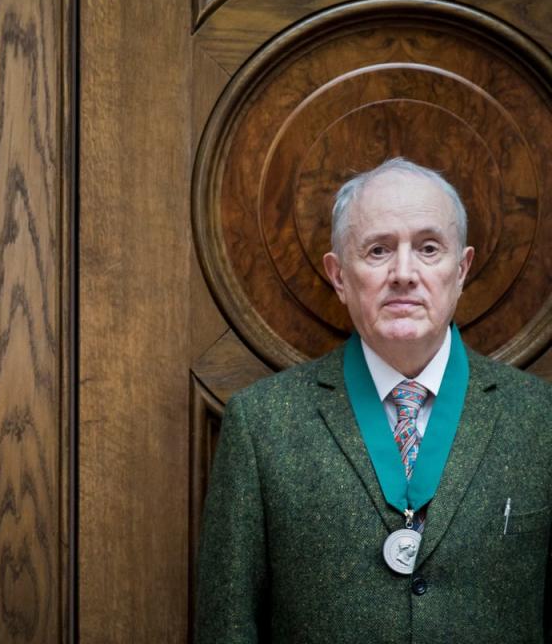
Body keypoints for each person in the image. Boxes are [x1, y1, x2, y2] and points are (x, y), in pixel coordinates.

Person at [196, 157, 552, 642]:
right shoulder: (260, 424)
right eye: (379, 251)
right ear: (340, 276)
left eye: (428, 248)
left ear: (462, 268)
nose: (404, 273)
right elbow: (227, 627)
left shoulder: (541, 420)